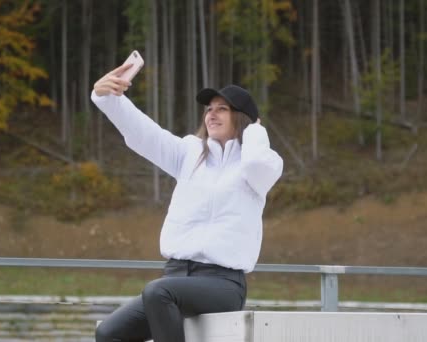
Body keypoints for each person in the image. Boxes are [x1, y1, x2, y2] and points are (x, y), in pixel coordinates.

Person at [91, 63, 283, 342]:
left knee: (158, 291)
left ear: (242, 118)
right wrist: (109, 99)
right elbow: (145, 135)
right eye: (208, 109)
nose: (211, 114)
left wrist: (254, 129)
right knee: (108, 334)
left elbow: (255, 161)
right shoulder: (190, 153)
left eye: (222, 108)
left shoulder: (260, 165)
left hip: (222, 283)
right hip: (175, 277)